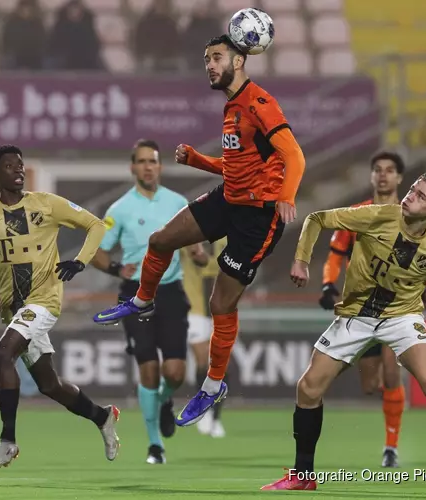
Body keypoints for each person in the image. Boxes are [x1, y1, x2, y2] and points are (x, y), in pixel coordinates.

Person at [92, 34, 306, 427]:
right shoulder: (231, 107)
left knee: (221, 305)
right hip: (230, 198)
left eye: (217, 57)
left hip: (259, 216)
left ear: (239, 60)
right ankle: (142, 300)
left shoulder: (259, 102)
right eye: (206, 58)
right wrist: (197, 160)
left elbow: (294, 154)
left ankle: (213, 384)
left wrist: (287, 196)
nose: (209, 65)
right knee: (161, 240)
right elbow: (236, 168)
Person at [262, 172, 426, 493]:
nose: (409, 196)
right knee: (307, 388)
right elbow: (317, 219)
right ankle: (303, 475)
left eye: (420, 196)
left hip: (402, 317)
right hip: (357, 315)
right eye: (413, 189)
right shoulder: (377, 215)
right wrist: (301, 260)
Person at [0, 144, 119, 468]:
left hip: (44, 300)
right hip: (13, 309)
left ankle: (8, 440)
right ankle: (102, 417)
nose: (18, 169)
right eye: (9, 165)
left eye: (21, 164)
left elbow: (96, 225)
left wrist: (80, 262)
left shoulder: (46, 204)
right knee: (49, 385)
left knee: (3, 354)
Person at [318, 151, 426, 468]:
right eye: (377, 170)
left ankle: (391, 447)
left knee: (391, 373)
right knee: (370, 384)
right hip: (361, 309)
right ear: (372, 176)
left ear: (400, 178)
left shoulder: (413, 215)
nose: (383, 175)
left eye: (389, 170)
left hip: (397, 308)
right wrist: (327, 285)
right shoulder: (357, 214)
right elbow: (335, 253)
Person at [90, 139, 208, 464]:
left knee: (175, 372)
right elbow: (95, 251)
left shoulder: (178, 203)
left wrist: (198, 254)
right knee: (149, 369)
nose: (147, 166)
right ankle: (155, 444)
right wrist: (115, 268)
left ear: (160, 166)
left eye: (152, 161)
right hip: (133, 294)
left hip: (170, 291)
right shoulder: (119, 209)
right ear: (133, 168)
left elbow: (196, 247)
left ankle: (165, 401)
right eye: (141, 161)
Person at [180, 237, 228, 438]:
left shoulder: (228, 238)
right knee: (205, 362)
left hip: (223, 309)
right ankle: (203, 411)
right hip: (196, 309)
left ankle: (216, 418)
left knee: (222, 365)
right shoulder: (188, 235)